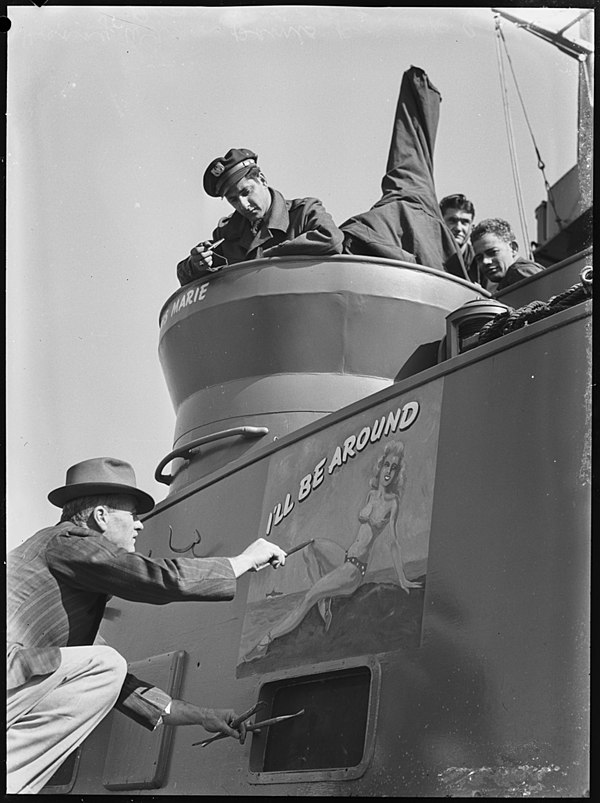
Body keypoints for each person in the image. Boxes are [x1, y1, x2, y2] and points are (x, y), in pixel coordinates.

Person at [7, 456, 287, 794]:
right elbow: (154, 578)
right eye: (133, 516)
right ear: (100, 516)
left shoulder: (65, 579)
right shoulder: (67, 542)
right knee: (107, 664)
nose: (140, 526)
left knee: (107, 667)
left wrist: (203, 715)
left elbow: (120, 687)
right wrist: (242, 562)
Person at [247, 441, 420, 660]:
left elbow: (394, 542)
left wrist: (402, 579)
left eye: (394, 468)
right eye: (387, 465)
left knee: (308, 597)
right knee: (312, 547)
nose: (389, 471)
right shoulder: (371, 494)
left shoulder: (392, 502)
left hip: (353, 571)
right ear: (381, 466)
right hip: (346, 557)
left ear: (397, 474)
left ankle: (266, 640)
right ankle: (324, 600)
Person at [340, 66, 469, 280]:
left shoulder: (401, 207)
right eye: (454, 221)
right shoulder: (419, 215)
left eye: (464, 222)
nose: (459, 227)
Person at [177, 148, 344, 285]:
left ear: (262, 180)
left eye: (246, 192)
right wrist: (197, 263)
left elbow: (332, 239)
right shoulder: (228, 233)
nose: (243, 204)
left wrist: (265, 258)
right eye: (233, 199)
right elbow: (184, 274)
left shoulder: (304, 212)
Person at [470, 218, 545, 292]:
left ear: (513, 248)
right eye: (479, 258)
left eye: (492, 252)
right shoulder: (508, 280)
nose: (485, 261)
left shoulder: (520, 273)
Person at [439, 193, 482, 285]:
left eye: (465, 222)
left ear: (472, 227)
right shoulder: (430, 255)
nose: (458, 228)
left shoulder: (479, 259)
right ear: (440, 223)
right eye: (452, 221)